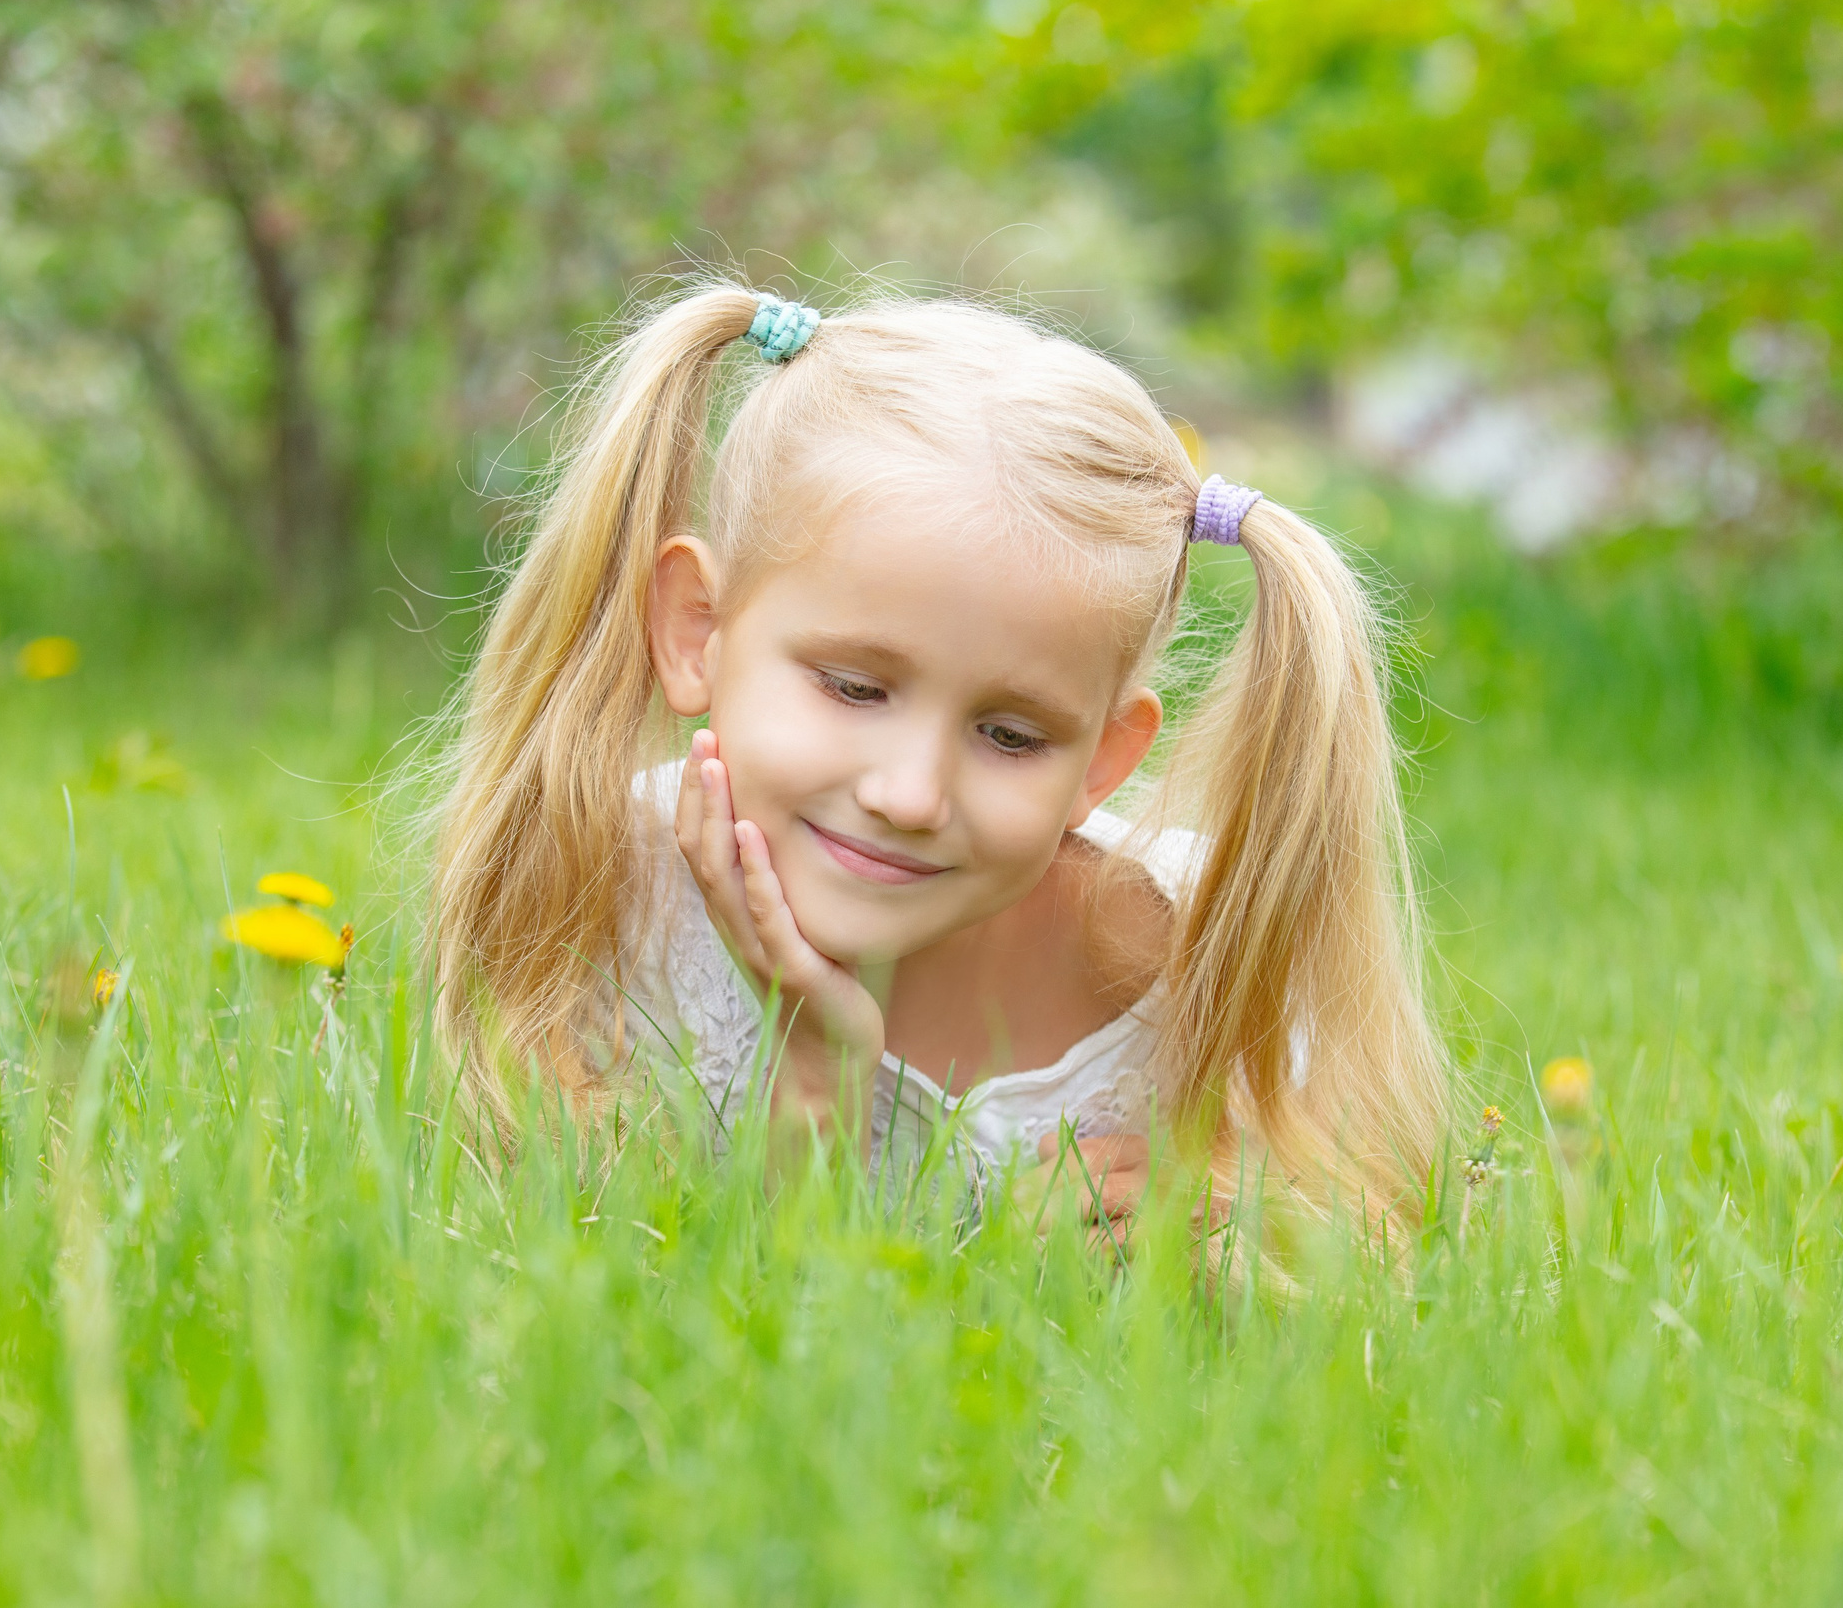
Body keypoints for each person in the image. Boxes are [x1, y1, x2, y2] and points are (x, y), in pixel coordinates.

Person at [425, 281, 1452, 1250]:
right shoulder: (600, 898)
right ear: (698, 628)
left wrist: (1215, 1237)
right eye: (853, 687)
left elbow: (1350, 1291)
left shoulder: (1205, 971)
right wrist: (812, 1085)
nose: (909, 795)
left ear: (1100, 760)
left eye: (1009, 737)